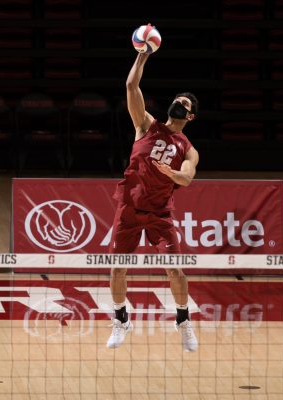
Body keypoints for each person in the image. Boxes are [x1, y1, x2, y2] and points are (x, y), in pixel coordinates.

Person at [107, 51, 200, 352]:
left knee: (176, 272)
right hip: (129, 210)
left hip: (160, 213)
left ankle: (183, 322)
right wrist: (142, 55)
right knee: (117, 269)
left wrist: (171, 172)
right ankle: (121, 320)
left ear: (190, 116)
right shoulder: (146, 125)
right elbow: (131, 86)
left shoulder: (188, 149)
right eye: (177, 100)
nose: (178, 103)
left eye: (184, 104)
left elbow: (187, 178)